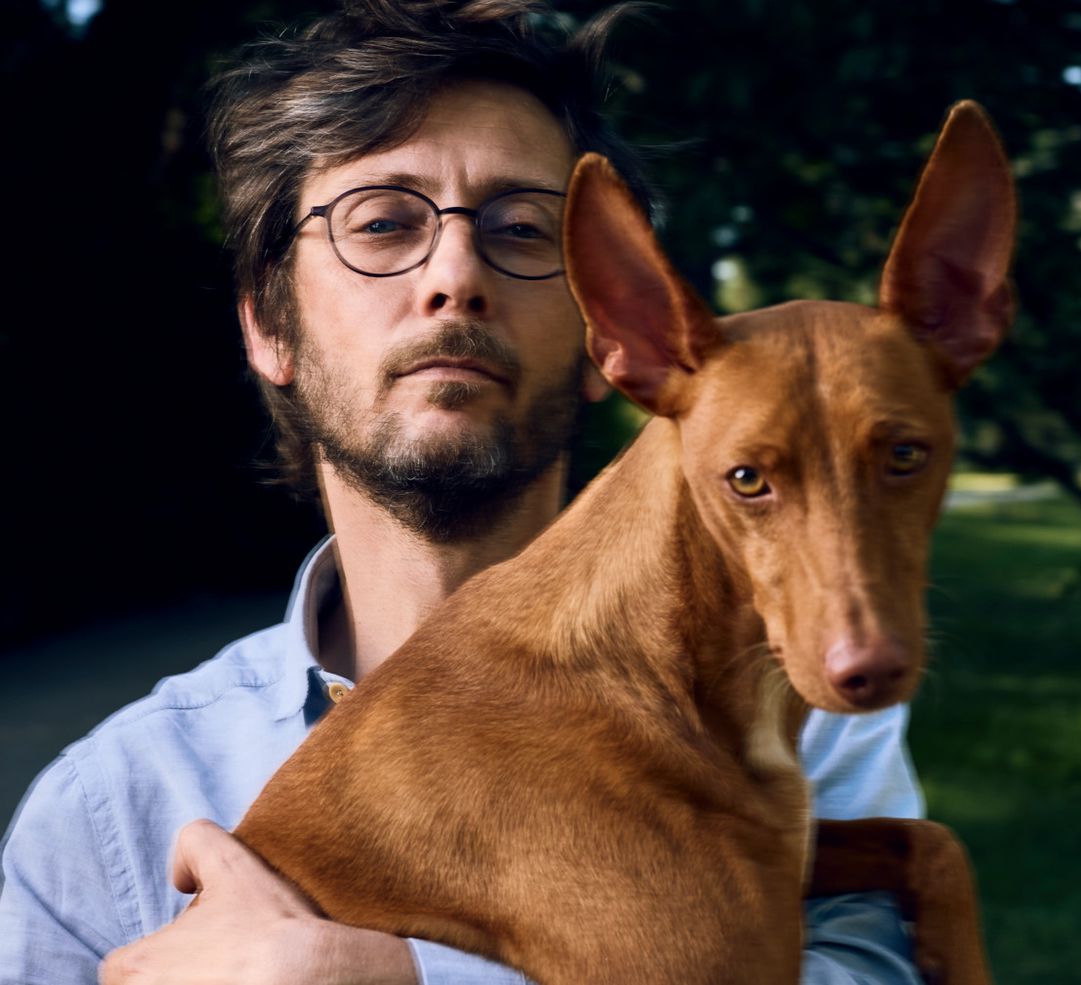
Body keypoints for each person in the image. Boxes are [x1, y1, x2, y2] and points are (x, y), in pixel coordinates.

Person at [0, 2, 926, 982]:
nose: (455, 273)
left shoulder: (807, 687)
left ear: (606, 334)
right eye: (383, 223)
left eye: (522, 229)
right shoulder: (111, 809)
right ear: (270, 328)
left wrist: (371, 973)